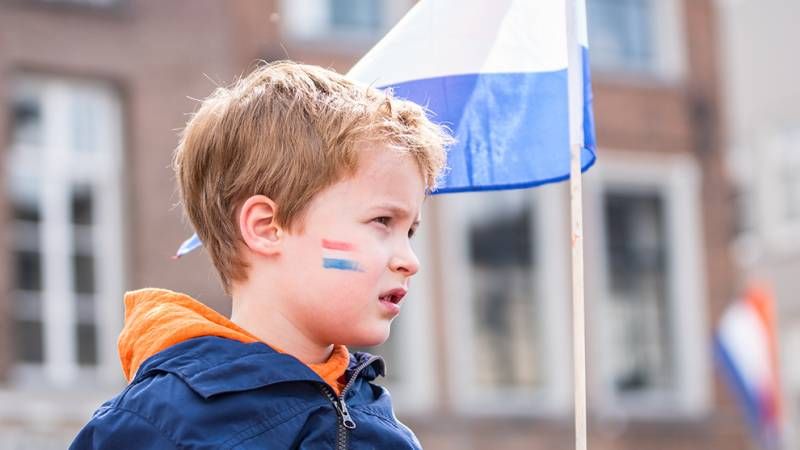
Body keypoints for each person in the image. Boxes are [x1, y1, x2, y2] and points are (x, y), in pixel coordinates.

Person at [70, 61, 451, 449]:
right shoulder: (157, 424)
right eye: (382, 220)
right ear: (268, 227)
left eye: (411, 231)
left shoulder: (385, 429)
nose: (410, 260)